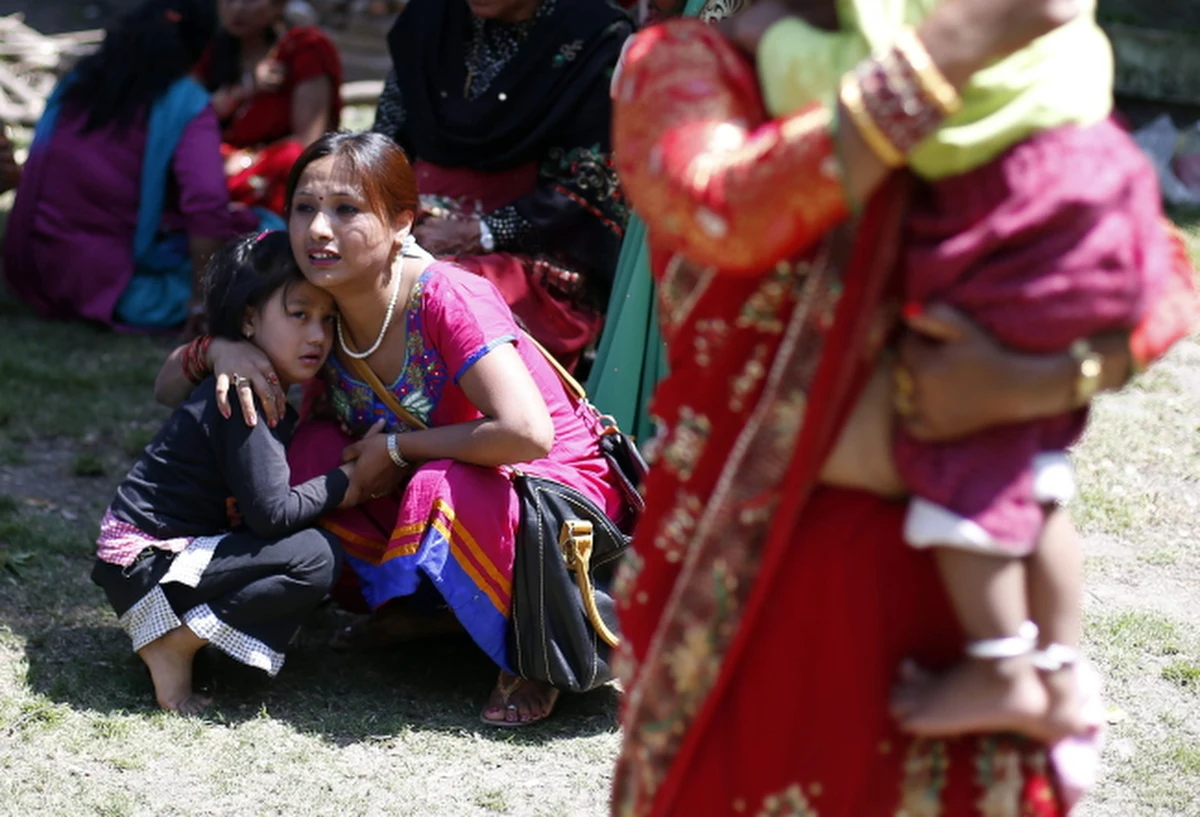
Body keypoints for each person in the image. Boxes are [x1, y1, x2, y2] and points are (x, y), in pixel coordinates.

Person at [607, 2, 1199, 816]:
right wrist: (950, 50)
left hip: (957, 606)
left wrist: (1042, 378)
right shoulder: (684, 62)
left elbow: (1150, 264)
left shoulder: (998, 88)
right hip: (752, 578)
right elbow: (728, 207)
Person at [754, 0, 1155, 744]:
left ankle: (1003, 666)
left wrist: (773, 42)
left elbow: (861, 81)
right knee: (1036, 466)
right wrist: (1046, 379)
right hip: (1099, 183)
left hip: (1010, 206)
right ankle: (1060, 672)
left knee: (965, 443)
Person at [154, 132, 632, 727]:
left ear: (403, 222)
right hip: (439, 475)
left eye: (346, 209)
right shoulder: (315, 297)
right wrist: (219, 349)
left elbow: (527, 435)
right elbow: (167, 388)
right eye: (304, 207)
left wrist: (399, 449)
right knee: (309, 454)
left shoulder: (447, 295)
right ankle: (430, 613)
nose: (319, 230)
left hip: (545, 491)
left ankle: (531, 647)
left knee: (441, 482)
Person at [91, 230, 363, 715]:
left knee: (309, 547)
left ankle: (183, 636)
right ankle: (172, 646)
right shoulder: (243, 394)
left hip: (153, 563)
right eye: (299, 314)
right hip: (148, 563)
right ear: (249, 319)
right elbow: (272, 515)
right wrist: (353, 479)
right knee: (314, 556)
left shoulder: (261, 387)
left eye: (328, 318)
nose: (318, 335)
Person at [372, 0, 634, 371]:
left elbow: (589, 181)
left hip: (536, 244)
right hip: (413, 220)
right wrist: (390, 210)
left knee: (442, 296)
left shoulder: (595, 37)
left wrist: (485, 231)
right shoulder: (429, 17)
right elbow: (386, 140)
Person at [2, 0, 240, 333]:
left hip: (33, 268)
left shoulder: (77, 82)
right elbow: (207, 202)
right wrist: (203, 300)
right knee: (258, 248)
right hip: (112, 286)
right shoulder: (185, 101)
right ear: (200, 47)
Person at [198, 0, 343, 216]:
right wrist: (245, 90)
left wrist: (247, 161)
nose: (237, 8)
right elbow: (188, 119)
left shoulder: (306, 49)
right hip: (211, 170)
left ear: (279, 5)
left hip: (273, 184)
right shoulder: (209, 47)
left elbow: (307, 143)